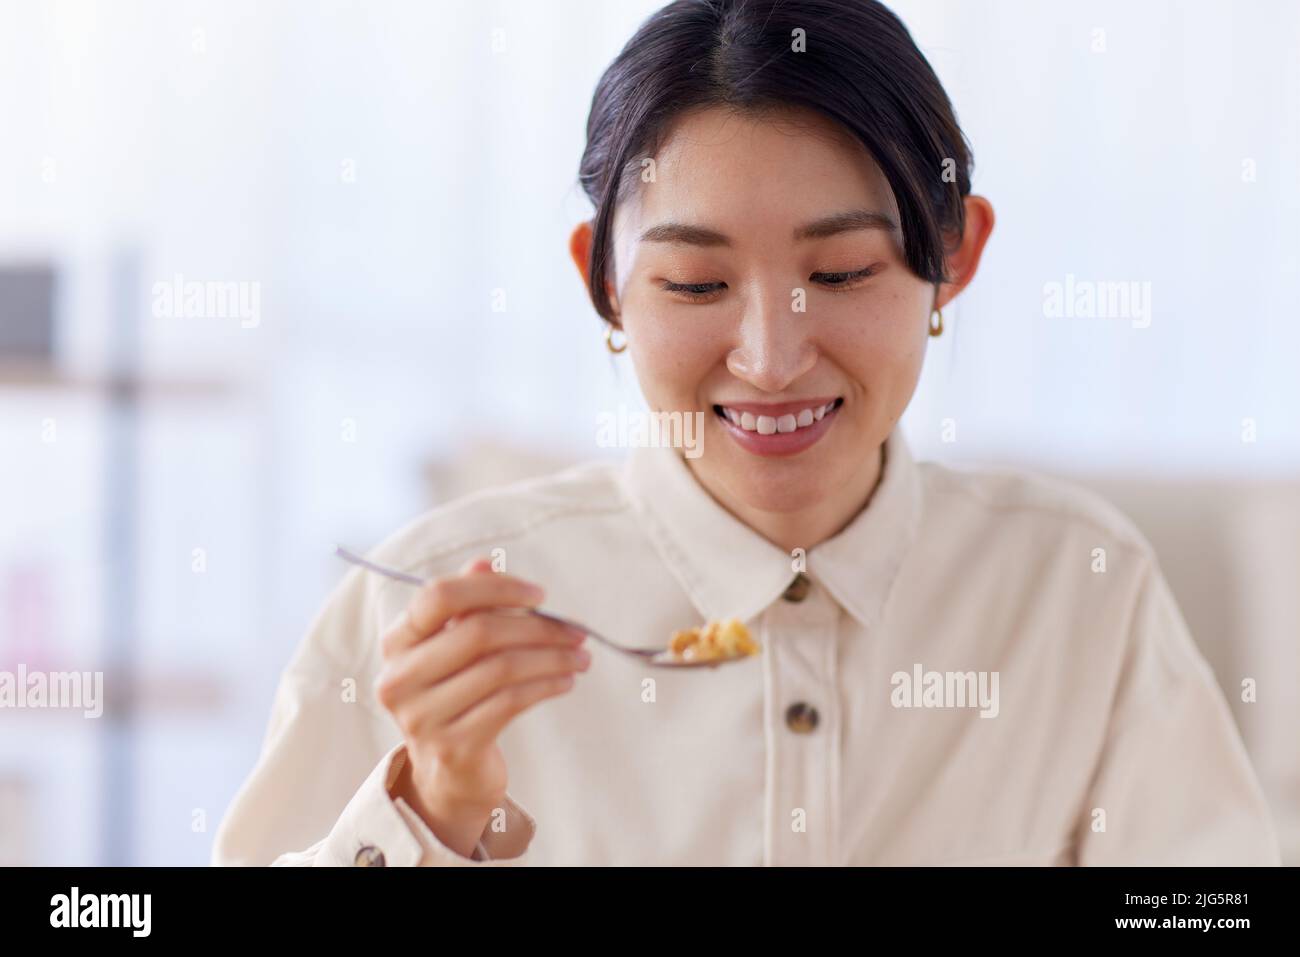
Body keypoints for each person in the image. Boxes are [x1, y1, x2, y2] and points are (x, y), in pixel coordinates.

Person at [213, 0, 1280, 866]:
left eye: (841, 273)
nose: (770, 357)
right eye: (696, 282)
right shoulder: (419, 608)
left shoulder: (1076, 587)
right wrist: (439, 817)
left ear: (951, 257)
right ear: (606, 284)